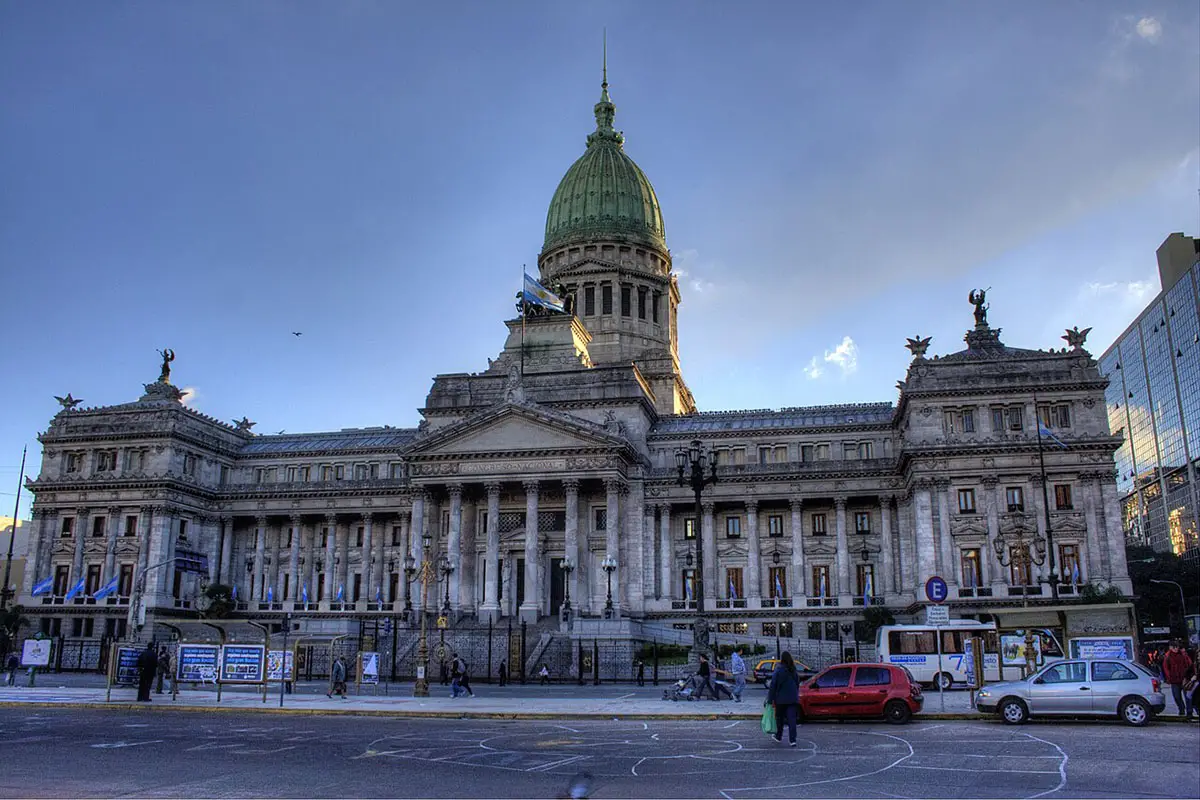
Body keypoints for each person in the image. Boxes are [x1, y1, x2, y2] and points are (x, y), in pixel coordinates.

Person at [767, 651, 801, 746]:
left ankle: (779, 736)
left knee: (780, 719)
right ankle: (792, 740)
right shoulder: (793, 670)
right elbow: (797, 683)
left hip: (781, 699)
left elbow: (773, 685)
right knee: (792, 720)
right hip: (792, 698)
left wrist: (770, 699)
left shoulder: (779, 669)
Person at [1161, 640, 1193, 717]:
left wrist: (1188, 676)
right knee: (1177, 696)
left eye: (1176, 647)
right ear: (1170, 647)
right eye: (1174, 647)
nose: (1175, 649)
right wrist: (1169, 678)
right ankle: (1181, 708)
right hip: (1174, 680)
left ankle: (1189, 711)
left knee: (1187, 696)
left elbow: (1189, 665)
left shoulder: (1183, 655)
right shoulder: (1168, 656)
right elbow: (1166, 668)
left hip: (1184, 678)